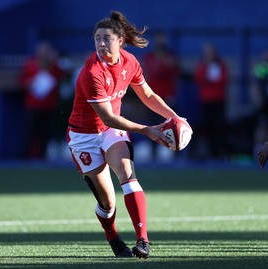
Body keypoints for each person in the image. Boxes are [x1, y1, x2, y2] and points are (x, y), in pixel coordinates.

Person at [67, 11, 190, 259]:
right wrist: (147, 130)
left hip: (112, 131)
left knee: (128, 176)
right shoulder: (91, 72)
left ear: (120, 41)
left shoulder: (130, 62)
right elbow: (108, 117)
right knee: (107, 203)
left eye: (107, 38)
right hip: (84, 136)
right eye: (97, 39)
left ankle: (143, 240)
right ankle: (112, 237)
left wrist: (174, 118)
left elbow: (148, 96)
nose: (101, 44)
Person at [19, 41, 65, 159]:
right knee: (31, 130)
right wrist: (29, 84)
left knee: (46, 131)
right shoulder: (30, 64)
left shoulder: (54, 65)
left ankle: (42, 155)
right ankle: (27, 155)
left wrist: (55, 60)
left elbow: (62, 75)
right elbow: (22, 81)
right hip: (33, 104)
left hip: (49, 104)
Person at [143, 31, 181, 160]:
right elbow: (152, 72)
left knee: (170, 125)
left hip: (167, 96)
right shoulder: (150, 57)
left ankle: (173, 151)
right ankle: (153, 152)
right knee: (152, 125)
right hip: (153, 98)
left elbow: (173, 71)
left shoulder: (170, 56)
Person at [194, 42, 228, 159]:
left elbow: (222, 80)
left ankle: (219, 151)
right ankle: (209, 151)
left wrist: (209, 81)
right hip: (206, 101)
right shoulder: (202, 65)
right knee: (207, 127)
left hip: (218, 100)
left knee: (218, 126)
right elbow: (199, 78)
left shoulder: (220, 64)